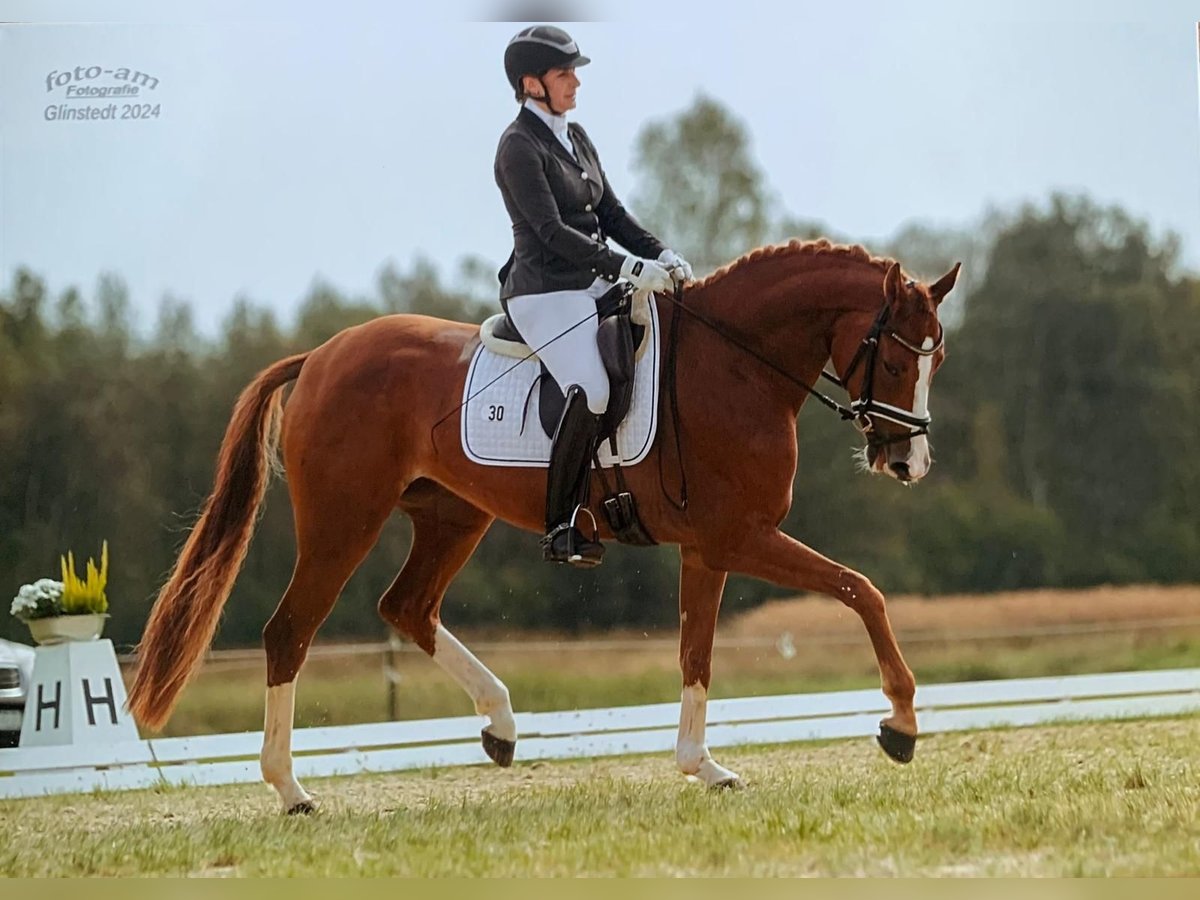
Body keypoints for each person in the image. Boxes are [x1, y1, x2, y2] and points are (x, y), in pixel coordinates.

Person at [495, 24, 693, 569]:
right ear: (532, 84)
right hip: (543, 293)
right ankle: (560, 524)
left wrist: (660, 252)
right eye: (565, 74)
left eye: (575, 73)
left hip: (590, 283)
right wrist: (627, 265)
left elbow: (610, 213)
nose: (575, 83)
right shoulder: (517, 147)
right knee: (593, 388)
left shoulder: (576, 136)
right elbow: (552, 231)